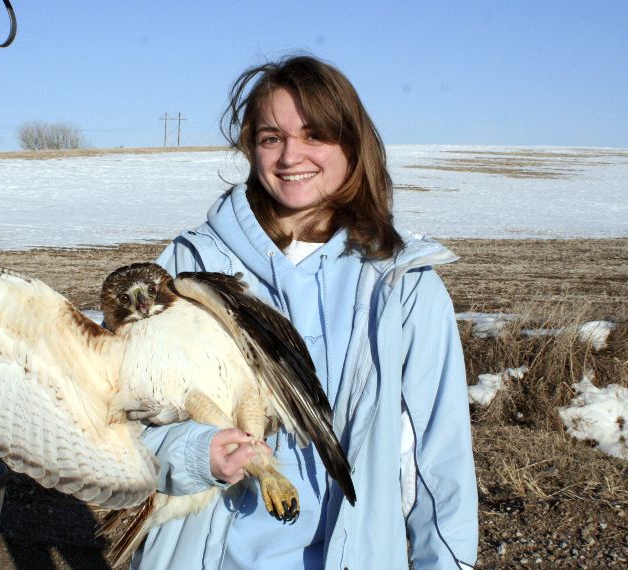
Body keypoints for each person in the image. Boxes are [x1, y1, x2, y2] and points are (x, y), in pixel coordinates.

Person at [135, 55, 478, 569]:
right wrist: (194, 453)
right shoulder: (189, 270)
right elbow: (128, 421)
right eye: (271, 137)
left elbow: (439, 459)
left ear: (351, 144)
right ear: (251, 147)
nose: (291, 155)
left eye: (315, 134)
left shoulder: (402, 285)